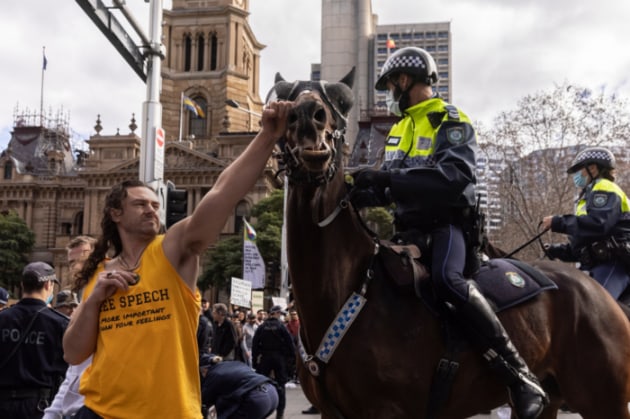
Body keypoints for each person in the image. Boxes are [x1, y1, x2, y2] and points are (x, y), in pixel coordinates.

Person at [62, 100, 292, 419]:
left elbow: (222, 192)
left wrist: (267, 136)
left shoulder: (173, 250)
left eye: (155, 205)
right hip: (100, 412)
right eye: (141, 204)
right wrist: (93, 301)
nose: (152, 210)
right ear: (115, 213)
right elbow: (73, 352)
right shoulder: (98, 275)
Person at [351, 46, 546, 419]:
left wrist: (387, 179)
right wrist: (360, 188)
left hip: (447, 227)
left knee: (446, 280)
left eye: (391, 84)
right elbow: (390, 185)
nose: (390, 92)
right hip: (405, 231)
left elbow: (454, 178)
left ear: (405, 80)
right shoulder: (400, 129)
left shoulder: (449, 120)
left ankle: (519, 376)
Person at [542, 147, 630, 299]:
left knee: (596, 307)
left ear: (592, 168)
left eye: (578, 169)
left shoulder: (604, 187)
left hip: (615, 264)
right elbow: (585, 244)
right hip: (598, 264)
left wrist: (557, 222)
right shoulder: (588, 196)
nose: (576, 175)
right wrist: (557, 250)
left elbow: (598, 225)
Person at [0, 262, 68, 419]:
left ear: (23, 285)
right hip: (39, 407)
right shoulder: (60, 323)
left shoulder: (3, 318)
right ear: (48, 285)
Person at [43, 235, 96, 419]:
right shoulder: (82, 305)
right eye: (71, 263)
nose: (74, 268)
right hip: (77, 410)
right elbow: (74, 371)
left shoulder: (108, 301)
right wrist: (52, 414)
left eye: (80, 261)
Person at [199, 353, 279, 419]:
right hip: (272, 393)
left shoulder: (213, 374)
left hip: (256, 399)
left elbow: (204, 400)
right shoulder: (233, 363)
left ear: (204, 370)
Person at [252, 305, 295, 419]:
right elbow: (290, 343)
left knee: (261, 385)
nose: (280, 316)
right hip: (279, 358)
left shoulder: (262, 327)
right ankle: (280, 414)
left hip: (265, 358)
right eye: (279, 314)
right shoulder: (281, 327)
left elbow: (255, 345)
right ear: (276, 314)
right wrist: (291, 361)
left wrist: (254, 362)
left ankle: (261, 412)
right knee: (281, 386)